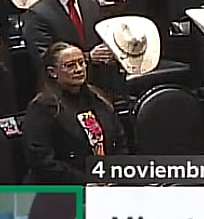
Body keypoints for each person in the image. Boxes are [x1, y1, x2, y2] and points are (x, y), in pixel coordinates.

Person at [22, 42, 127, 184]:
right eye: (70, 65)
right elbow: (42, 162)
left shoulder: (99, 99)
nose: (78, 69)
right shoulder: (42, 107)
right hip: (65, 187)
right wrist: (87, 182)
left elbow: (119, 143)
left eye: (81, 63)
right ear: (52, 72)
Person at [21, 0, 119, 91]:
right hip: (60, 91)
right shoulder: (37, 13)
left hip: (98, 86)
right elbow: (45, 59)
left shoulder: (90, 2)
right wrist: (88, 57)